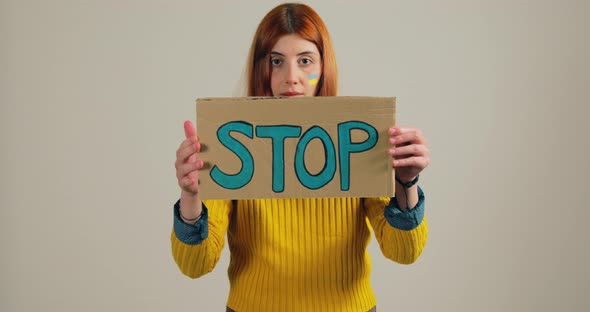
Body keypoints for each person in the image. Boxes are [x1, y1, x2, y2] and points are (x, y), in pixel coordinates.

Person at [171, 3, 430, 312]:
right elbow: (195, 265)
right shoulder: (232, 141)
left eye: (305, 61)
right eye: (276, 61)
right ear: (260, 68)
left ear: (324, 68)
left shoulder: (356, 138)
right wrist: (190, 195)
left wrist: (406, 181)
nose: (291, 77)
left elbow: (404, 252)